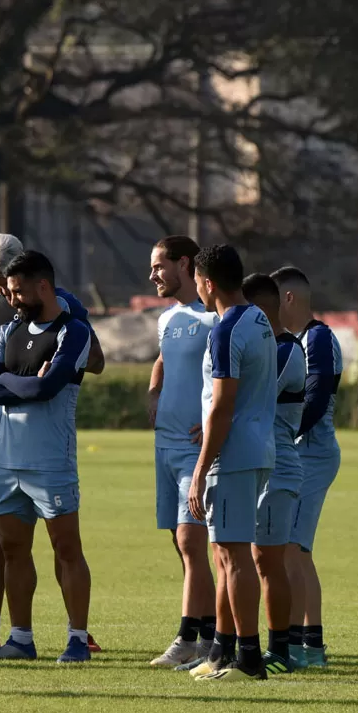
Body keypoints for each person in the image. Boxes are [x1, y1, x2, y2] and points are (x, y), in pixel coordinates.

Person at [0, 234, 104, 653]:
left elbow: (60, 380)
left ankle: (77, 636)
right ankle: (9, 634)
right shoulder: (3, 320)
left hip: (50, 453)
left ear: (37, 283)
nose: (4, 294)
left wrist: (32, 380)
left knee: (64, 544)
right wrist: (12, 371)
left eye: (9, 285)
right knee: (3, 539)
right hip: (4, 447)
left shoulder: (71, 319)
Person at [186, 244, 276, 683]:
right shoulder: (258, 318)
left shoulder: (225, 330)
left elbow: (223, 405)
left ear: (207, 282)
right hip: (255, 447)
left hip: (233, 456)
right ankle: (222, 652)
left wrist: (201, 469)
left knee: (234, 557)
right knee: (223, 554)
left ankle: (250, 659)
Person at [144, 235, 221, 669]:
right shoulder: (168, 319)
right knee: (182, 543)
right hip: (165, 449)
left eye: (158, 266)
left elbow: (236, 377)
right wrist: (155, 388)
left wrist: (213, 424)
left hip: (196, 451)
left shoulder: (215, 320)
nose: (153, 275)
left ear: (184, 264)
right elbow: (165, 357)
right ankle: (208, 633)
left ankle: (190, 638)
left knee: (193, 542)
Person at [271, 265, 342, 669]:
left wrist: (283, 430)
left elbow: (316, 398)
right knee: (296, 551)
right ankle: (310, 644)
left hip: (311, 456)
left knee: (291, 550)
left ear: (289, 299)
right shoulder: (292, 341)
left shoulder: (318, 339)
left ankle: (299, 646)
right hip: (298, 455)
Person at [243, 272, 305, 675]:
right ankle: (241, 645)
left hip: (279, 465)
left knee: (269, 561)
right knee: (253, 559)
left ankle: (280, 650)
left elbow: (254, 400)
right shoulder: (268, 347)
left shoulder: (285, 351)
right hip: (258, 463)